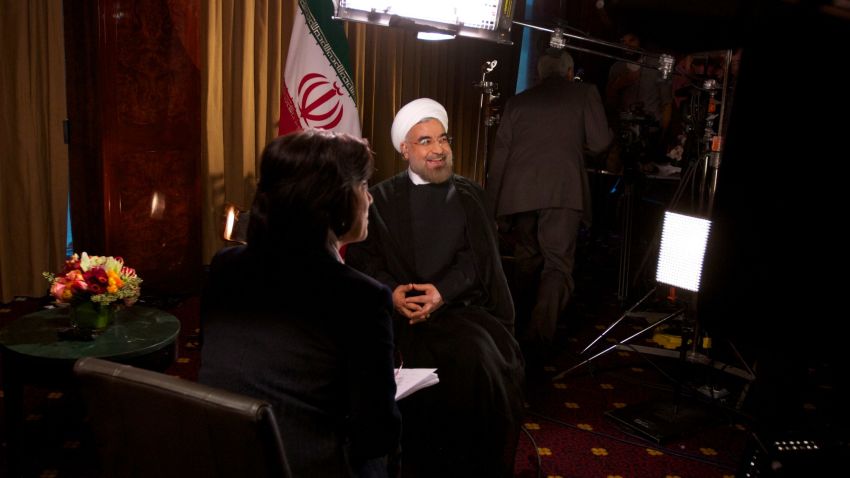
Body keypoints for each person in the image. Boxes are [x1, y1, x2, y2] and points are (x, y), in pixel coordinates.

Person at [198, 129, 401, 477]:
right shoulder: (360, 297)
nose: (370, 200)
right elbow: (376, 434)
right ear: (332, 201)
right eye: (363, 187)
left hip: (222, 454)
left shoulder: (224, 266)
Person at [345, 98, 524, 477]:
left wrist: (442, 292)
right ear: (405, 150)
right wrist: (392, 291)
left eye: (443, 139)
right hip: (399, 314)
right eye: (425, 141)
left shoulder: (469, 194)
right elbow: (364, 260)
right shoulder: (380, 199)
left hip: (461, 311)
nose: (439, 150)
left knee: (476, 362)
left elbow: (479, 260)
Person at [487, 50, 612, 359]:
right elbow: (599, 143)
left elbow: (499, 157)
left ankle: (511, 329)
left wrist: (493, 207)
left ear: (540, 75)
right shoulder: (585, 93)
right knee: (557, 264)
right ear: (570, 72)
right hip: (562, 190)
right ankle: (537, 341)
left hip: (519, 194)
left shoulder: (518, 102)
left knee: (527, 258)